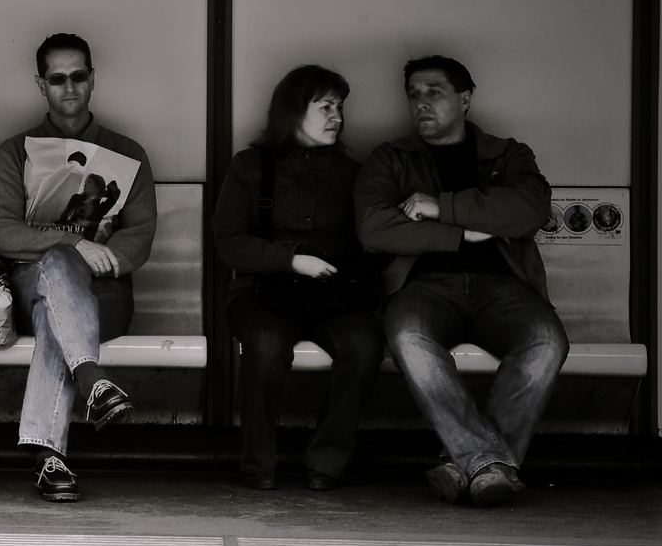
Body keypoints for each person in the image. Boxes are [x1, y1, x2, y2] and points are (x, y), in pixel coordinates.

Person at [355, 56, 566, 507]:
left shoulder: (507, 154)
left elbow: (530, 211)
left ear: (465, 98)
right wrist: (465, 231)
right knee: (408, 334)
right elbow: (374, 230)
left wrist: (439, 206)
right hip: (425, 287)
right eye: (414, 94)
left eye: (434, 91)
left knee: (547, 340)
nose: (421, 102)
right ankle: (488, 463)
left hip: (504, 286)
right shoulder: (391, 158)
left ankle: (468, 463)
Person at [0, 33, 158, 502]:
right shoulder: (14, 153)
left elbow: (139, 237)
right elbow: (3, 234)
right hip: (27, 286)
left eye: (78, 77)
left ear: (92, 79)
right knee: (58, 272)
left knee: (55, 318)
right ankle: (92, 382)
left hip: (104, 294)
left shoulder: (128, 154)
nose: (69, 88)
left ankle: (50, 458)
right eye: (57, 79)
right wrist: (74, 244)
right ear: (40, 84)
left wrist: (90, 259)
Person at [212, 65, 383, 491]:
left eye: (340, 107)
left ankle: (326, 461)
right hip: (261, 291)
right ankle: (258, 465)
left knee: (364, 345)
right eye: (325, 106)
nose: (337, 117)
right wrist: (292, 260)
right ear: (292, 111)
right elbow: (229, 243)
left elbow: (372, 245)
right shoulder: (251, 167)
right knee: (267, 346)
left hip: (332, 295)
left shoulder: (352, 173)